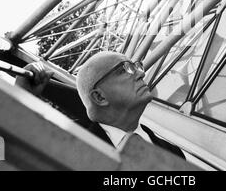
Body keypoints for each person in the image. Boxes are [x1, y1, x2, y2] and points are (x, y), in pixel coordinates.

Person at [15, 52, 185, 159]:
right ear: (99, 96)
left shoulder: (175, 154)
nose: (141, 73)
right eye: (124, 69)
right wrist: (21, 98)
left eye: (136, 66)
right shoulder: (65, 143)